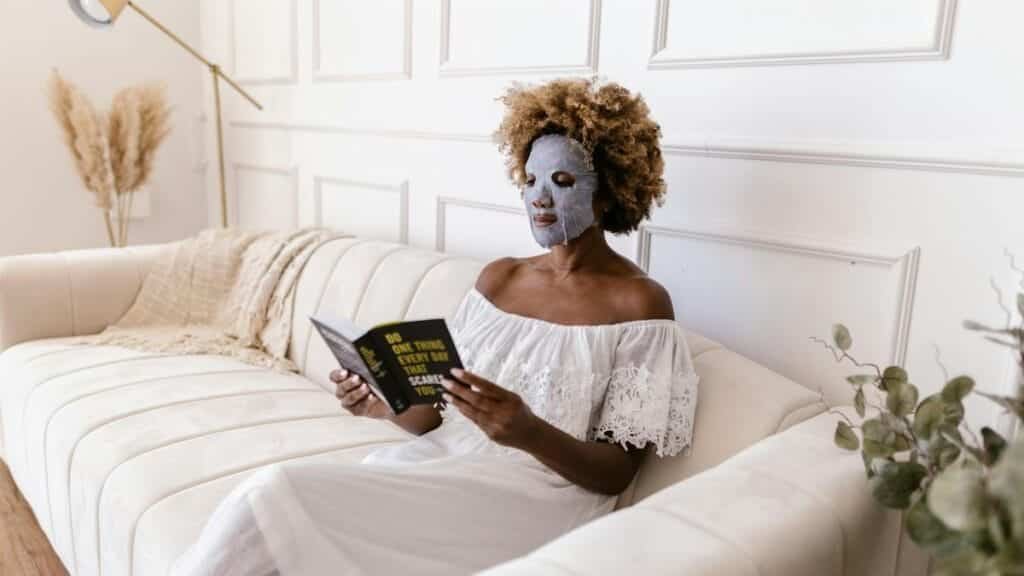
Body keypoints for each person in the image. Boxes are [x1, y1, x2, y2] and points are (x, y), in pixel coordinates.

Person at [171, 78, 699, 576]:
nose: (540, 196)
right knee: (274, 517)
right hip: (442, 464)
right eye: (531, 180)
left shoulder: (639, 303)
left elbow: (616, 473)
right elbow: (436, 417)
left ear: (609, 193)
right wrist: (384, 403)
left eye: (562, 182)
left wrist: (528, 431)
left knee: (273, 492)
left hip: (534, 499)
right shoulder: (499, 279)